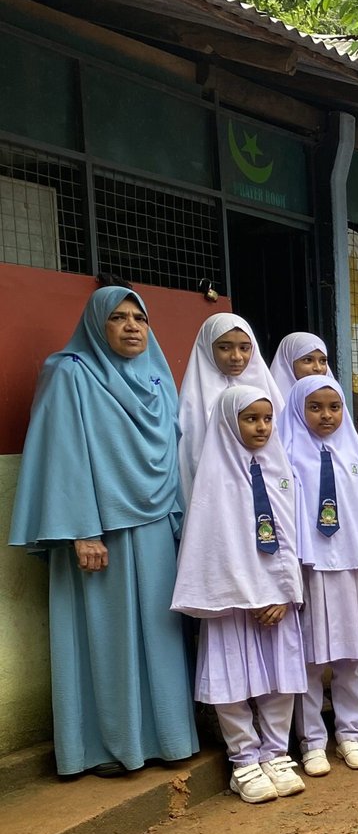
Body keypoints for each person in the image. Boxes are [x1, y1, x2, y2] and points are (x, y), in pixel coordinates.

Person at [9, 286, 199, 778]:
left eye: (140, 317)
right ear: (97, 325)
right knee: (106, 638)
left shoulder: (157, 377)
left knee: (160, 633)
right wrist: (81, 530)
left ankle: (166, 739)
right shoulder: (69, 373)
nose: (132, 326)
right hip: (100, 532)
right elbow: (61, 452)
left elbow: (173, 456)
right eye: (118, 317)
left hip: (153, 528)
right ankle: (106, 746)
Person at [171, 385, 305, 804]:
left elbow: (291, 538)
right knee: (231, 680)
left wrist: (284, 592)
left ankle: (276, 753)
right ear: (230, 422)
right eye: (250, 419)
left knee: (280, 680)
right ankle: (244, 761)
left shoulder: (281, 470)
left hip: (276, 601)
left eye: (267, 419)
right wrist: (250, 593)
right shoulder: (213, 480)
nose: (261, 427)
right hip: (231, 603)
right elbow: (214, 548)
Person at [280, 376, 358, 772]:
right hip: (311, 568)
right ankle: (311, 741)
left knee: (350, 657)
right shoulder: (287, 455)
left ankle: (349, 734)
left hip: (352, 565)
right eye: (315, 408)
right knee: (310, 659)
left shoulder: (355, 455)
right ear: (298, 410)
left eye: (334, 407)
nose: (326, 415)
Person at [177, 313, 282, 503]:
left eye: (244, 348)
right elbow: (191, 458)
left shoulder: (267, 391)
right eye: (224, 347)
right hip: (216, 496)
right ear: (207, 347)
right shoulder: (193, 403)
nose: (236, 357)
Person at [270, 331, 330, 398]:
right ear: (288, 362)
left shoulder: (333, 398)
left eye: (323, 361)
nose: (318, 368)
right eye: (308, 360)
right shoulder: (271, 401)